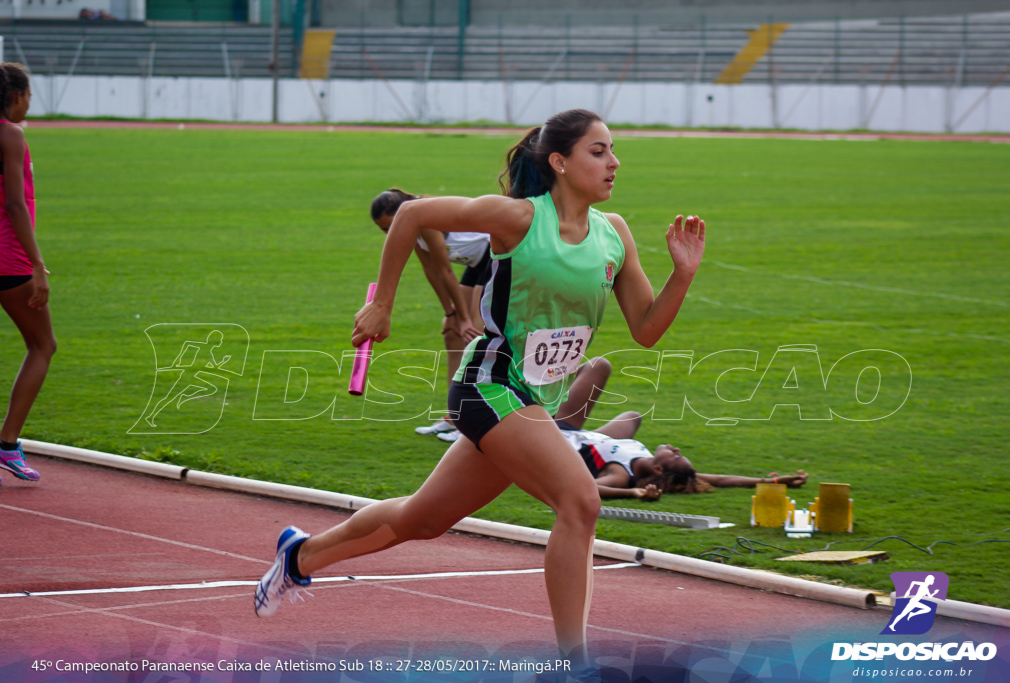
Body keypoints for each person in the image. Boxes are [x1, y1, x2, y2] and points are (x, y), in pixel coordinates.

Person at [254, 109, 706, 669]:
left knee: (423, 519)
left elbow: (646, 330)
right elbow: (414, 213)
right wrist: (382, 303)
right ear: (560, 162)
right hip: (486, 384)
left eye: (613, 151)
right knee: (580, 500)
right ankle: (575, 664)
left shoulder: (614, 235)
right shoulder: (517, 218)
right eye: (599, 151)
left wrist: (682, 275)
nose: (614, 162)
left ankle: (300, 555)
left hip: (527, 397)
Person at [554, 359, 807, 500]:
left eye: (675, 455)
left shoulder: (620, 474)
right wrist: (772, 481)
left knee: (600, 366)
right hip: (591, 438)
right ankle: (550, 384)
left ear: (658, 468)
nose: (675, 448)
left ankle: (540, 383)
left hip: (556, 432)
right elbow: (720, 480)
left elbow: (589, 490)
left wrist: (633, 493)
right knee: (633, 416)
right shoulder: (645, 460)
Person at [370, 189, 488, 442]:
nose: (391, 234)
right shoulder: (409, 227)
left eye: (391, 226)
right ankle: (454, 416)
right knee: (453, 335)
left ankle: (474, 422)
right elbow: (430, 270)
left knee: (475, 338)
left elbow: (445, 270)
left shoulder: (424, 218)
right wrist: (451, 313)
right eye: (384, 230)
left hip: (495, 256)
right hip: (476, 264)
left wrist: (465, 317)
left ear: (403, 212)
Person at [0, 63, 50, 485]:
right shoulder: (10, 134)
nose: (30, 103)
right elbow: (16, 205)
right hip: (8, 259)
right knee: (42, 345)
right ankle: (7, 443)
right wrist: (37, 266)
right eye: (28, 95)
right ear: (15, 96)